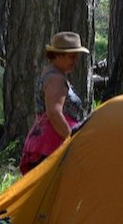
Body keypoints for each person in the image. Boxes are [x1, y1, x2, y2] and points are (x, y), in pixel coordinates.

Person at [18, 31, 89, 174]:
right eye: (71, 57)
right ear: (58, 55)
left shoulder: (51, 74)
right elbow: (54, 113)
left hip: (48, 144)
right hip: (51, 146)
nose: (75, 61)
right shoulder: (56, 79)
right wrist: (71, 140)